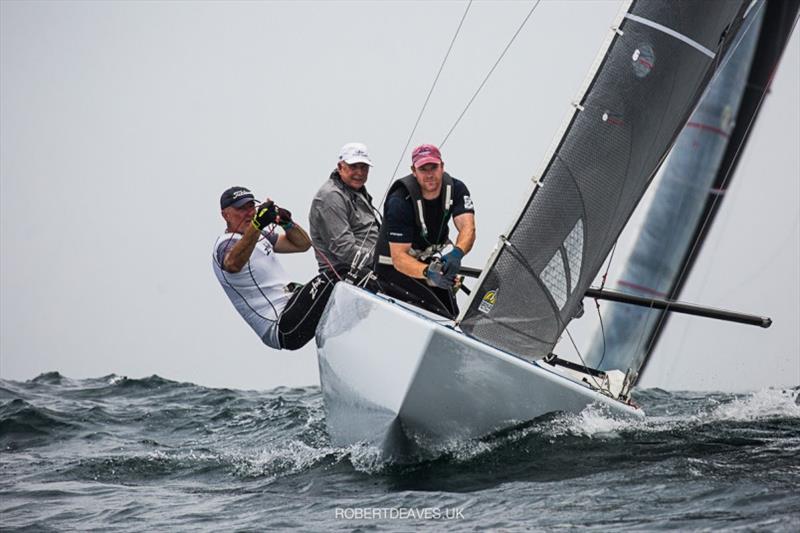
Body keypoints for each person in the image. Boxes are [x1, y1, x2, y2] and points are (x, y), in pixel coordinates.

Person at [212, 186, 338, 350]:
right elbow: (232, 264)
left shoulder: (260, 236)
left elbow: (302, 244)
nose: (249, 213)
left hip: (292, 308)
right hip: (280, 326)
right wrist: (256, 225)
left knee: (343, 275)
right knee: (334, 275)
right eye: (241, 209)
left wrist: (286, 223)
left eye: (251, 207)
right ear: (225, 214)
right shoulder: (225, 243)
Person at [374, 144, 476, 317]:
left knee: (451, 312)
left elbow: (468, 227)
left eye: (434, 167)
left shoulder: (457, 189)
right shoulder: (399, 200)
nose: (429, 174)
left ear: (442, 166)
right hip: (392, 268)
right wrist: (428, 273)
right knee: (435, 309)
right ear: (414, 171)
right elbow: (399, 258)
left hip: (426, 261)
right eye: (423, 169)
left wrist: (457, 254)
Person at [308, 142, 380, 275]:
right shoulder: (331, 197)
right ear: (340, 167)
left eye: (364, 167)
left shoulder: (356, 190)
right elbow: (345, 251)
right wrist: (383, 258)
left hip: (368, 270)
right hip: (344, 275)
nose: (359, 173)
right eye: (353, 167)